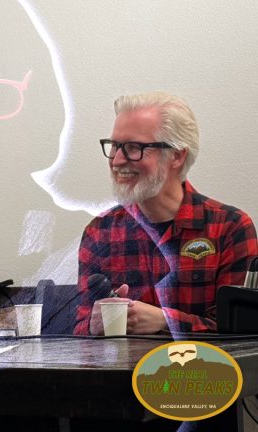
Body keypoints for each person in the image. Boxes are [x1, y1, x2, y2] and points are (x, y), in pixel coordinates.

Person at [74, 91, 258, 335]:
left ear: (177, 156)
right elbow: (78, 330)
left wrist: (165, 321)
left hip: (203, 373)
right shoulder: (99, 232)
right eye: (115, 146)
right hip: (120, 373)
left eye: (133, 147)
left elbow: (242, 333)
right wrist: (92, 326)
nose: (117, 160)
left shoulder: (230, 228)